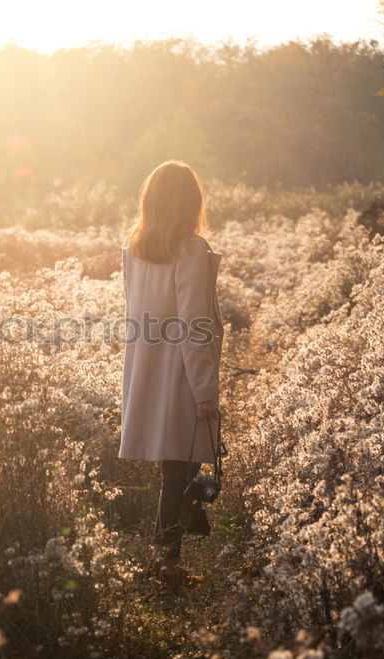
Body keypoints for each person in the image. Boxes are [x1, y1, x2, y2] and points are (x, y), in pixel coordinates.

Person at [119, 160, 224, 583]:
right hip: (180, 367)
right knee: (179, 467)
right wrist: (206, 389)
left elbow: (134, 308)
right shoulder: (190, 250)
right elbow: (194, 322)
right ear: (191, 202)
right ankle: (167, 563)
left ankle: (165, 557)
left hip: (148, 362)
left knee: (174, 466)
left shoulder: (134, 245)